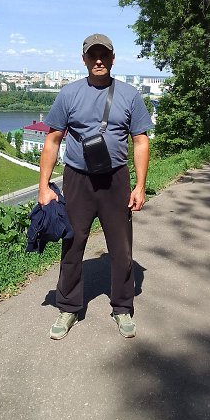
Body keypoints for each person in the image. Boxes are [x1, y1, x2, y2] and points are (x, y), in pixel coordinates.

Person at [38, 33, 153, 340]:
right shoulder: (69, 94)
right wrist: (44, 186)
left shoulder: (130, 95)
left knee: (121, 247)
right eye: (93, 55)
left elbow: (140, 141)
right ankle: (68, 307)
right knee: (73, 244)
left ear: (113, 59)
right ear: (84, 59)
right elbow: (53, 139)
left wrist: (140, 186)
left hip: (115, 180)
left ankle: (122, 307)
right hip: (78, 179)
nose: (98, 60)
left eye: (104, 55)